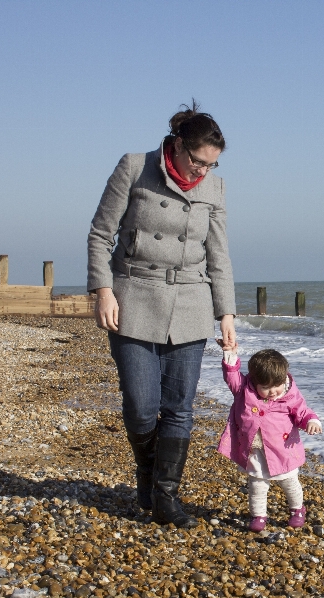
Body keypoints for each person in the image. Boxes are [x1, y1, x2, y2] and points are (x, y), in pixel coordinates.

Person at [87, 101, 236, 529]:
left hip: (191, 301)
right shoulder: (135, 167)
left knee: (179, 408)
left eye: (213, 165)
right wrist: (103, 290)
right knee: (140, 405)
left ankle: (165, 495)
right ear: (177, 145)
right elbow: (101, 233)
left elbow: (219, 255)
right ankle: (147, 473)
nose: (202, 172)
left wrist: (225, 312)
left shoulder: (215, 189)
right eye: (198, 162)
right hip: (133, 295)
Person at [215, 345, 322, 532]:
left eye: (276, 385)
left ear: (284, 379)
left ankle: (297, 509)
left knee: (289, 482)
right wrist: (230, 354)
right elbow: (231, 375)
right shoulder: (243, 390)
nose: (273, 391)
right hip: (255, 449)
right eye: (265, 387)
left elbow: (302, 411)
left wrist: (311, 421)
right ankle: (259, 515)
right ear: (254, 382)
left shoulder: (289, 394)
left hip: (283, 450)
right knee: (257, 484)